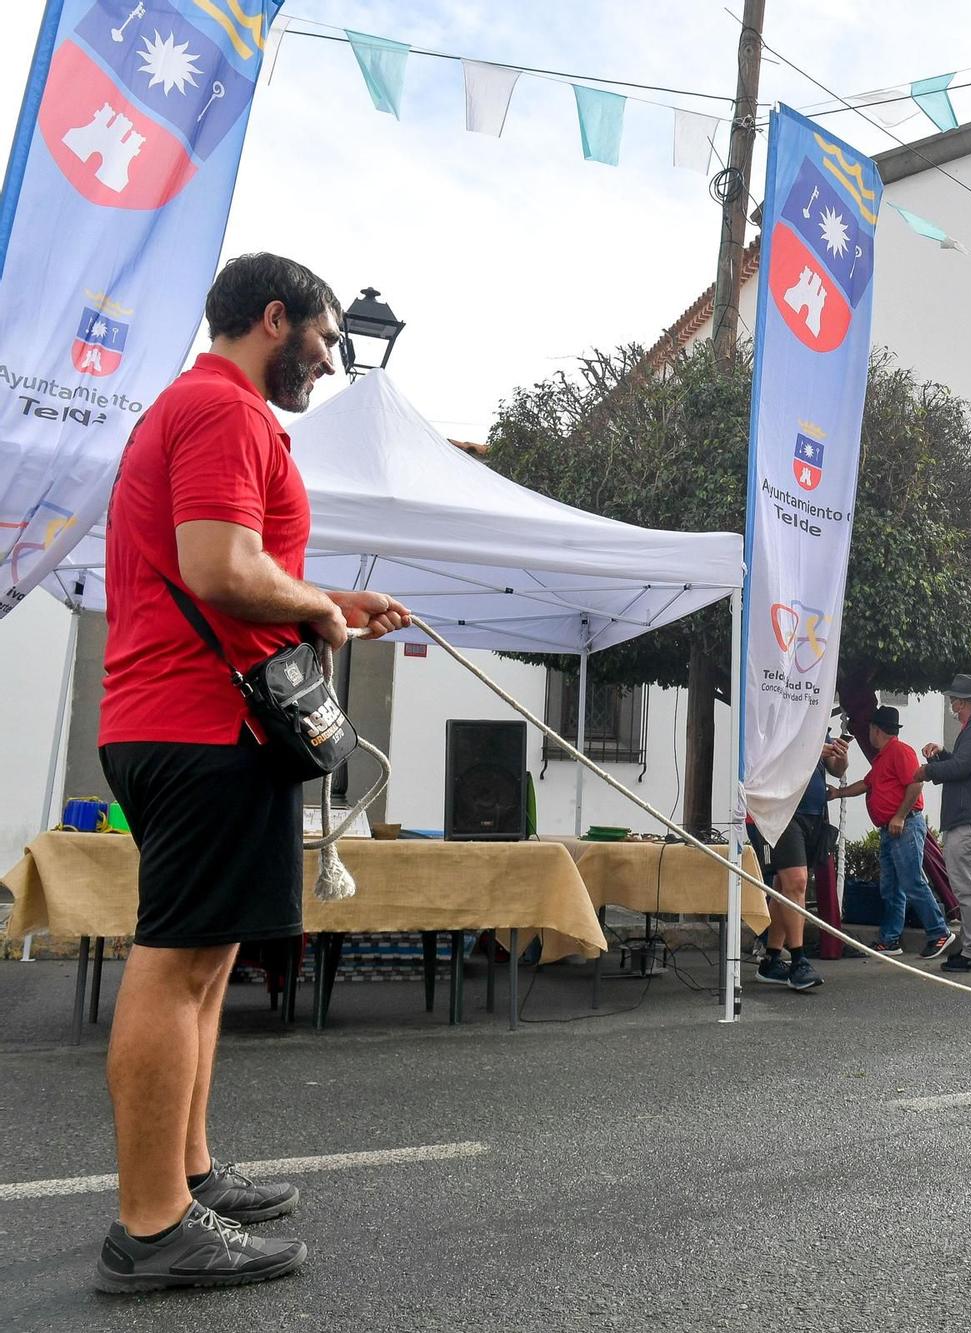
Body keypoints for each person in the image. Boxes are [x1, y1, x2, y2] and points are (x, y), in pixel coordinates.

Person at [93, 254, 412, 1293]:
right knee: (179, 962)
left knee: (207, 961)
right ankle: (151, 1228)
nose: (328, 362)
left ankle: (183, 1177)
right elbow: (217, 566)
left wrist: (323, 600)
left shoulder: (197, 408)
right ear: (274, 319)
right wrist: (320, 608)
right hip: (201, 722)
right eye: (323, 340)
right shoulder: (225, 410)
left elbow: (233, 571)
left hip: (188, 717)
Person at [828, 707, 955, 960]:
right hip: (890, 828)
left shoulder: (899, 751)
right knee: (892, 886)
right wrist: (838, 793)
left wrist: (898, 816)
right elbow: (867, 784)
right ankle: (890, 938)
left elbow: (916, 782)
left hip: (904, 825)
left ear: (876, 730)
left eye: (870, 730)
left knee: (911, 880)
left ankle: (939, 931)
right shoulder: (883, 757)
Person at [914, 675, 971, 971]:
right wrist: (942, 754)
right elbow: (965, 764)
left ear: (964, 702)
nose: (952, 705)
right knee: (969, 886)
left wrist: (927, 771)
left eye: (954, 700)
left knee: (969, 888)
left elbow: (962, 767)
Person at [748, 734, 848, 990]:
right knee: (796, 882)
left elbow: (836, 770)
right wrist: (813, 749)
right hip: (781, 810)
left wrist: (840, 757)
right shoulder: (782, 716)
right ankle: (798, 959)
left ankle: (771, 959)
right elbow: (769, 756)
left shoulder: (817, 719)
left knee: (784, 887)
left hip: (812, 814)